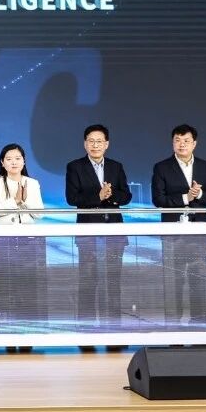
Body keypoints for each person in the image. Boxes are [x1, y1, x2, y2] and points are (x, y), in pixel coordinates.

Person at [65, 124, 132, 348]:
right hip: (88, 233)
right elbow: (72, 198)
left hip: (114, 232)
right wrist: (98, 196)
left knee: (113, 282)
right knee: (87, 282)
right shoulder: (75, 167)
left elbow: (126, 195)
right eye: (91, 141)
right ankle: (86, 333)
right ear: (85, 144)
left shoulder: (116, 166)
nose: (95, 145)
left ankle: (114, 331)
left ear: (107, 144)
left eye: (99, 141)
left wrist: (110, 196)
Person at [151, 123, 206, 325]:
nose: (182, 144)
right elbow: (158, 199)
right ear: (172, 143)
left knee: (198, 279)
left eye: (186, 141)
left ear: (194, 143)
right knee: (173, 281)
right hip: (173, 233)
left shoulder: (205, 166)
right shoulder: (161, 167)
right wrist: (185, 197)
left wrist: (198, 194)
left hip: (199, 231)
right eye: (178, 140)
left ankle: (200, 322)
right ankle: (173, 324)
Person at [0, 143, 46, 354]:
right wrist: (14, 201)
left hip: (28, 240)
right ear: (2, 162)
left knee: (27, 287)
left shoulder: (32, 183)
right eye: (9, 159)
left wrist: (24, 202)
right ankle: (7, 335)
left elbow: (39, 213)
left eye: (18, 158)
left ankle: (27, 334)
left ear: (24, 161)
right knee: (4, 286)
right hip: (3, 240)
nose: (14, 162)